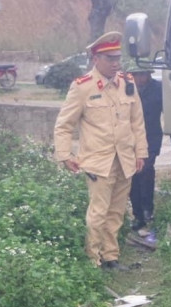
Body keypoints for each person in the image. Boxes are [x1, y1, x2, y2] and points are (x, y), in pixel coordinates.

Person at [53, 31, 148, 270]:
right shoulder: (82, 87)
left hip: (124, 159)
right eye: (110, 59)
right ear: (96, 59)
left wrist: (141, 153)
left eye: (118, 58)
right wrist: (65, 155)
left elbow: (137, 121)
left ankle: (110, 257)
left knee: (116, 212)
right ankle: (92, 261)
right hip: (98, 161)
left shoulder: (127, 83)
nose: (116, 63)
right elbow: (64, 125)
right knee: (97, 214)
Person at [126, 62, 171, 233]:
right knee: (133, 175)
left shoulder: (159, 89)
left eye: (142, 74)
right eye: (135, 75)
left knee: (146, 170)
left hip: (151, 137)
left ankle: (148, 208)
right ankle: (138, 215)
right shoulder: (126, 90)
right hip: (129, 139)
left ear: (148, 74)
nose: (139, 78)